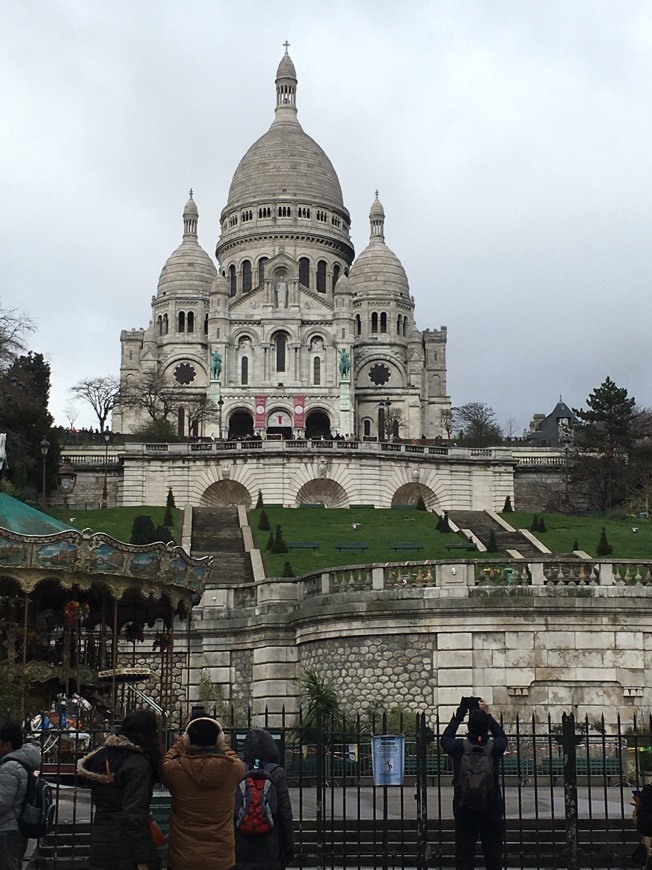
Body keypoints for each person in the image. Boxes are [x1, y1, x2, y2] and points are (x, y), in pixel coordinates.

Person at [77, 709, 162, 870]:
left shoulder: (103, 756)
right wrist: (142, 859)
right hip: (126, 848)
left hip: (100, 840)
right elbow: (133, 814)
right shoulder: (137, 764)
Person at [162, 715, 245, 870]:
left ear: (187, 740)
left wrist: (181, 740)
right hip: (221, 858)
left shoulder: (174, 770)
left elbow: (167, 759)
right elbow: (233, 758)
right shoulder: (233, 769)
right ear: (219, 740)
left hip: (182, 857)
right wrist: (221, 743)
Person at [440, 698, 508, 870]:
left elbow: (445, 738)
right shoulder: (494, 748)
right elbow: (501, 736)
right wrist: (487, 714)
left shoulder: (459, 747)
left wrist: (460, 713)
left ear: (469, 727)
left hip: (464, 807)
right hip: (491, 806)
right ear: (486, 727)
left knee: (464, 855)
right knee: (493, 856)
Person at [235, 727, 294, 870]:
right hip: (270, 845)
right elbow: (285, 813)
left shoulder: (239, 770)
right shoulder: (277, 772)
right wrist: (289, 848)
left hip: (242, 845)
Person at [0, 721, 41, 869]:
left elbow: (2, 803)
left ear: (7, 745)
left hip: (7, 830)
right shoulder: (22, 763)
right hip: (17, 829)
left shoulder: (9, 767)